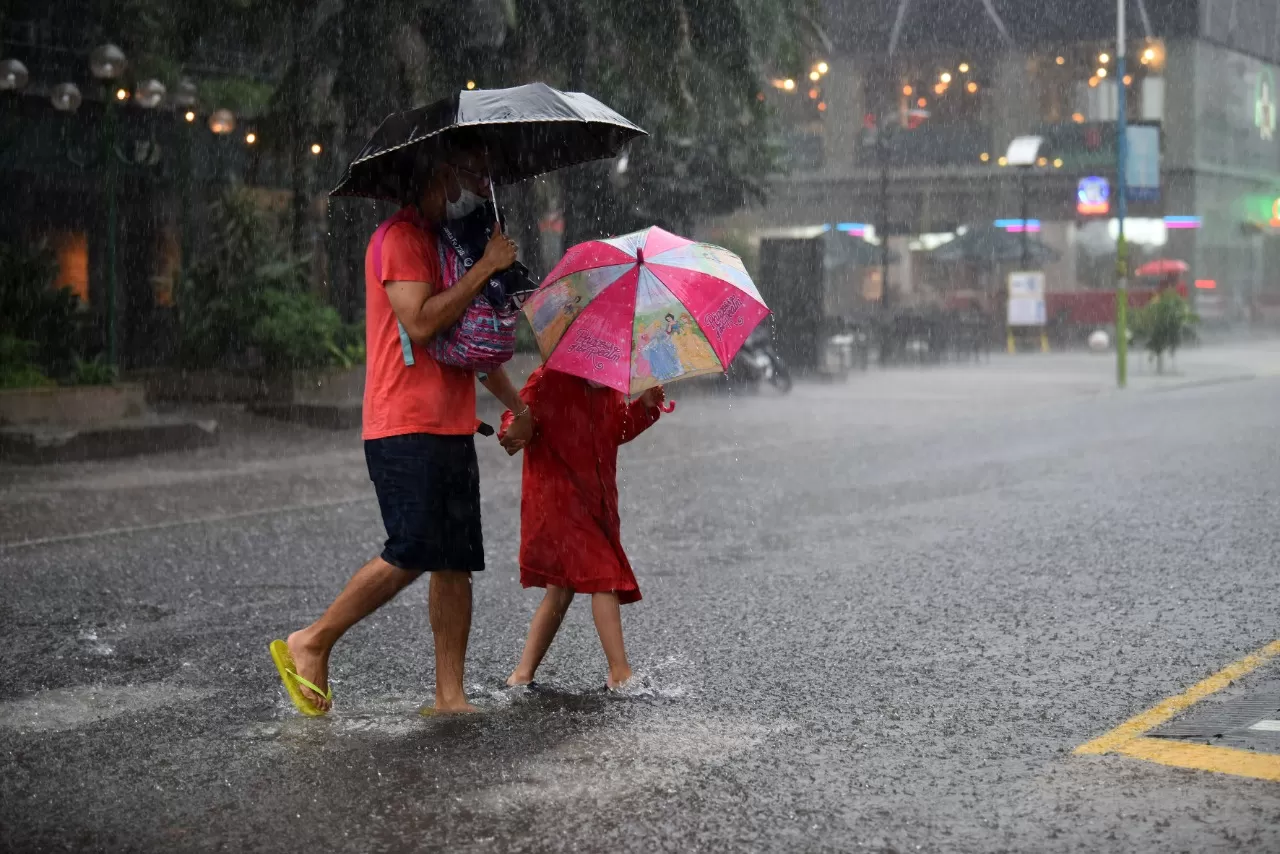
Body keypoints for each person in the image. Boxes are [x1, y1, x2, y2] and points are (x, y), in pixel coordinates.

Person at [269, 140, 534, 716]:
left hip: (450, 424)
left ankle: (449, 695)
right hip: (403, 423)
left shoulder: (446, 245)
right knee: (412, 549)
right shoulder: (401, 239)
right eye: (471, 171)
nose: (477, 186)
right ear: (441, 174)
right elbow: (418, 322)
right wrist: (486, 268)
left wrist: (519, 406)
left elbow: (472, 346)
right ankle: (311, 642)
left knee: (455, 560)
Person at [499, 367, 665, 690]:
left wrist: (643, 405)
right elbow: (519, 412)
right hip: (558, 499)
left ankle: (522, 674)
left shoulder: (609, 387)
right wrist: (513, 430)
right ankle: (619, 672)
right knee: (605, 574)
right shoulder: (549, 379)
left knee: (561, 589)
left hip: (594, 502)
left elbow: (617, 429)